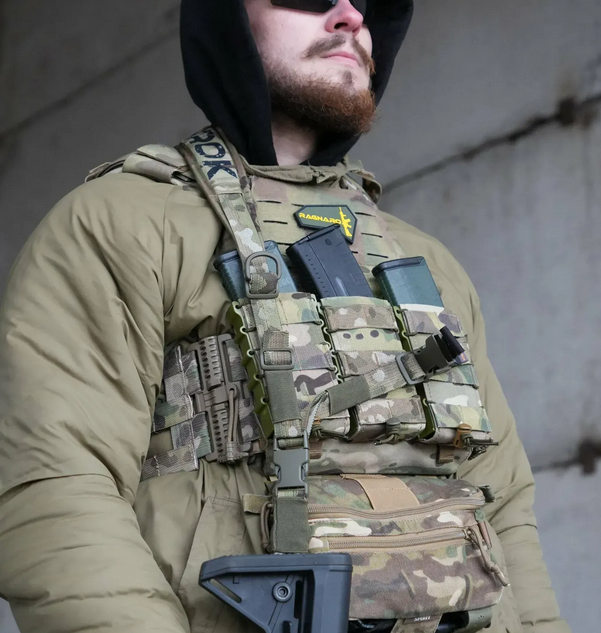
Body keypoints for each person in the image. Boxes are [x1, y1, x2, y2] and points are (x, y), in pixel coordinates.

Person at [0, 1, 570, 632]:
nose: (349, 15)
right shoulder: (125, 226)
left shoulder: (427, 262)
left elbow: (502, 505)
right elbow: (57, 483)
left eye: (367, 3)